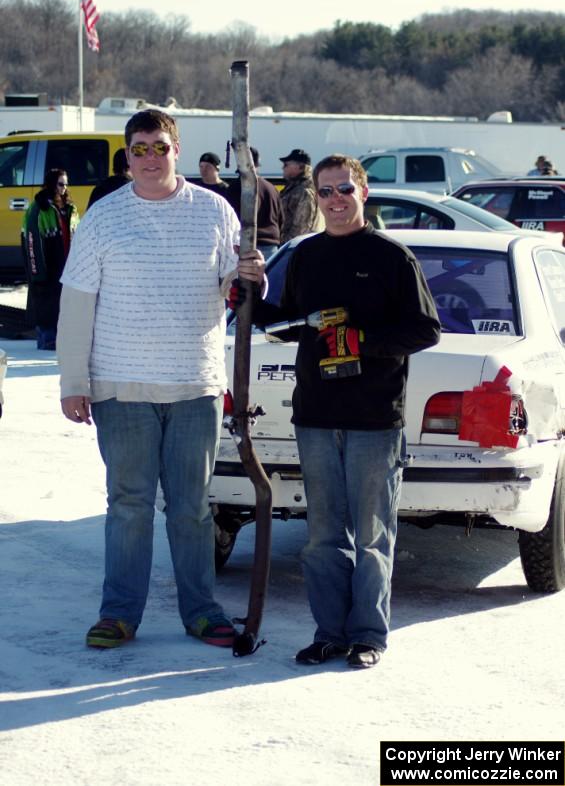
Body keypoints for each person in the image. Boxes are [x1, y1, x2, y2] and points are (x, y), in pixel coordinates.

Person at [235, 154, 440, 669]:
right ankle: (329, 632)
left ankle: (368, 634)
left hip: (374, 418)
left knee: (372, 535)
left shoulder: (393, 258)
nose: (334, 199)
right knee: (324, 536)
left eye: (344, 189)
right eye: (325, 191)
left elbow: (425, 329)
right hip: (317, 416)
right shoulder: (306, 256)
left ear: (363, 192)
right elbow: (285, 321)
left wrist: (363, 340)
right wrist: (249, 298)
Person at [57, 109, 240, 650]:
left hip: (194, 384)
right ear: (127, 156)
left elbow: (236, 279)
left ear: (176, 149)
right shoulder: (104, 217)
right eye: (139, 149)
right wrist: (74, 380)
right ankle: (119, 614)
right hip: (121, 386)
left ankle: (201, 611)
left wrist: (250, 272)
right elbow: (76, 304)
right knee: (129, 506)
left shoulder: (214, 210)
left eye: (159, 147)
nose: (149, 158)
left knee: (192, 508)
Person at [21, 168, 79, 350]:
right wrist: (37, 272)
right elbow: (32, 241)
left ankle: (63, 338)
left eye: (66, 184)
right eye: (61, 184)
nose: (64, 188)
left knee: (66, 303)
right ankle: (47, 339)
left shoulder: (70, 208)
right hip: (49, 265)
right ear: (51, 184)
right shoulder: (39, 209)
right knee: (47, 304)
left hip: (67, 264)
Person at [227, 146, 283, 261]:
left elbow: (230, 220)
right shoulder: (271, 188)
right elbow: (281, 219)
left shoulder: (235, 188)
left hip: (248, 247)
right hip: (271, 247)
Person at [279, 148, 324, 243]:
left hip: (295, 247)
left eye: (286, 165)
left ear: (301, 167)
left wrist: (285, 244)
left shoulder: (305, 191)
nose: (283, 168)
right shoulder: (294, 187)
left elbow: (301, 228)